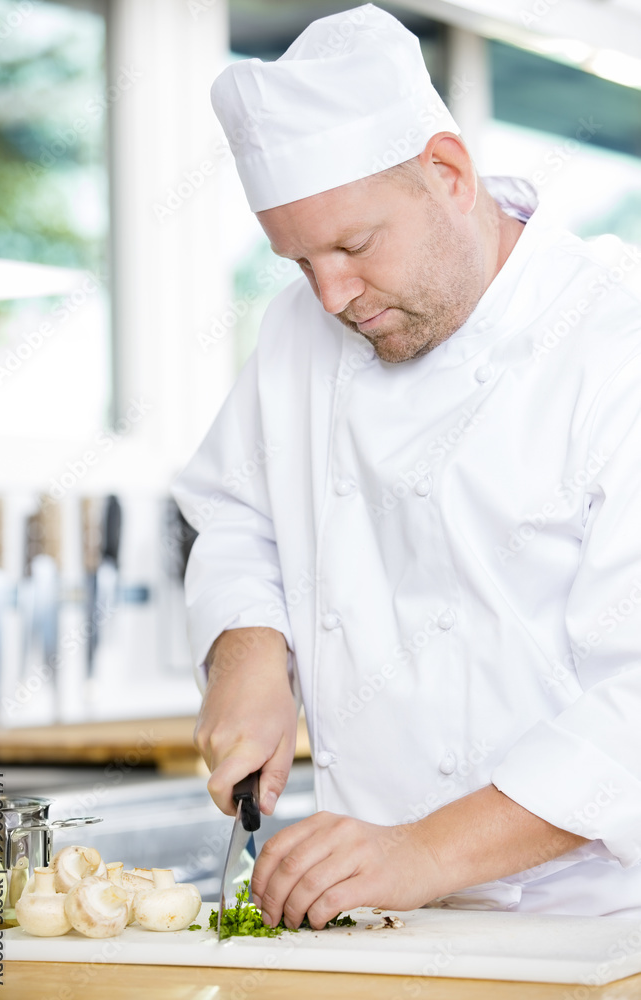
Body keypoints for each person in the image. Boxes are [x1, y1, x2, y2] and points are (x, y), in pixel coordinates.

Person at [172, 4, 641, 928]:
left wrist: (422, 851)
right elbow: (237, 514)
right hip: (377, 914)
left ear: (447, 173)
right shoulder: (296, 333)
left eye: (351, 246)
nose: (330, 294)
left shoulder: (613, 341)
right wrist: (249, 651)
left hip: (590, 928)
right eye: (297, 260)